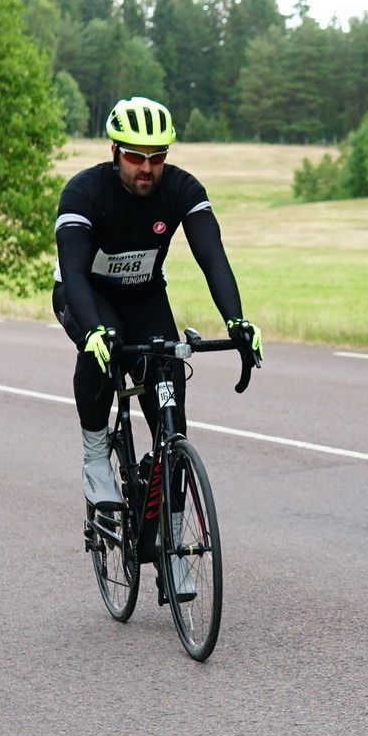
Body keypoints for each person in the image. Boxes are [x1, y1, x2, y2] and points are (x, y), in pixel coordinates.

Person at [53, 96, 262, 597]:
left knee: (171, 410)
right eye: (135, 156)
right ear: (115, 151)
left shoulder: (183, 189)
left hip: (145, 298)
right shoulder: (84, 191)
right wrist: (92, 330)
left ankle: (172, 545)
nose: (147, 168)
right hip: (87, 295)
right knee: (103, 348)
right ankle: (96, 457)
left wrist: (235, 319)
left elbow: (213, 256)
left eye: (157, 157)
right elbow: (75, 274)